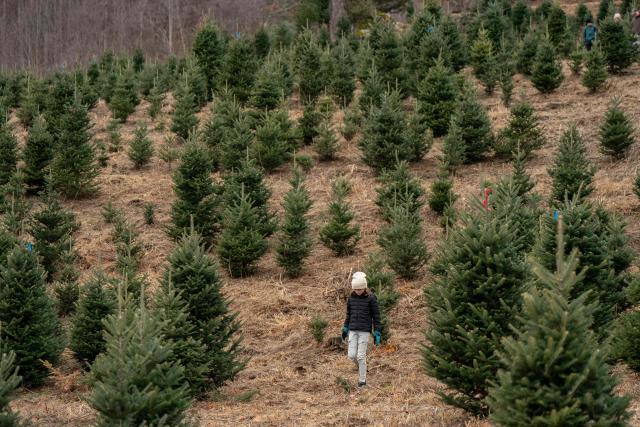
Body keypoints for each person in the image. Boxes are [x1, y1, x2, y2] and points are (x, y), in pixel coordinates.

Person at [341, 272, 381, 388]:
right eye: (356, 289)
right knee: (352, 355)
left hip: (364, 331)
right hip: (353, 330)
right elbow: (348, 314)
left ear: (365, 287)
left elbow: (376, 316)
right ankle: (362, 367)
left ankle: (362, 381)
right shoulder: (351, 299)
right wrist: (345, 327)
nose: (358, 291)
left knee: (360, 356)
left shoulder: (371, 298)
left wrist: (377, 331)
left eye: (360, 289)